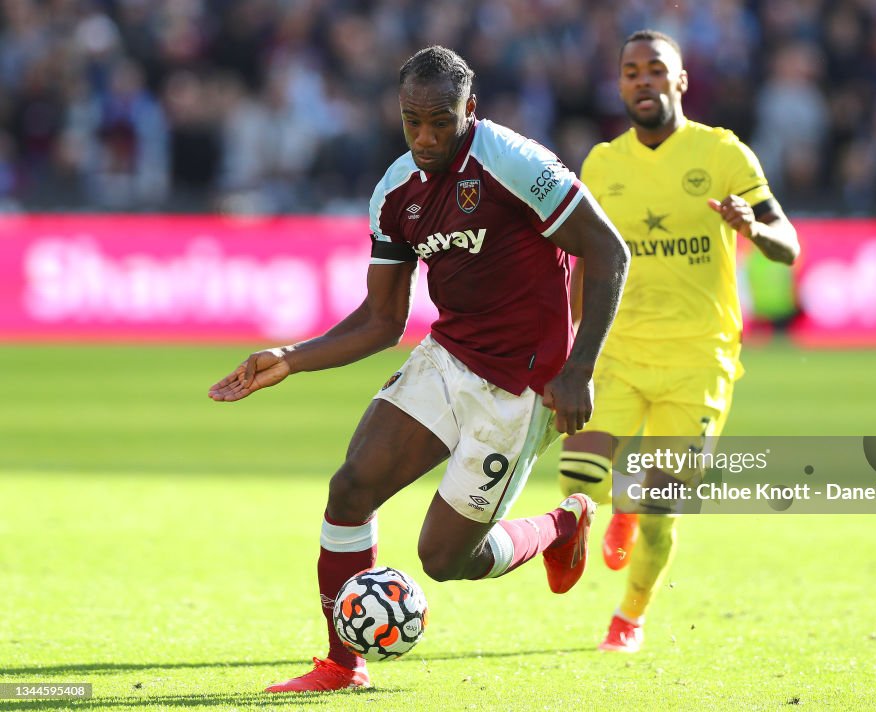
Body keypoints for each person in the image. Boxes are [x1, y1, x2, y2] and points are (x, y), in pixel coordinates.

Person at [208, 45, 629, 692]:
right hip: (449, 356)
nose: (426, 137)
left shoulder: (513, 162)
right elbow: (382, 321)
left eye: (441, 121)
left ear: (471, 109)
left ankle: (559, 525)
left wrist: (579, 370)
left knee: (444, 559)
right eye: (412, 121)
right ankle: (342, 666)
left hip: (522, 383)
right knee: (350, 488)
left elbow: (608, 251)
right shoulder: (395, 190)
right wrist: (289, 360)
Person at [556, 30, 800, 653]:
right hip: (618, 352)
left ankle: (629, 618)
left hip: (698, 358)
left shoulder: (722, 154)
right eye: (631, 71)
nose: (643, 80)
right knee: (576, 483)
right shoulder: (603, 165)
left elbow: (788, 244)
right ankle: (623, 505)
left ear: (680, 80)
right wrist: (567, 341)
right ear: (619, 85)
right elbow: (584, 261)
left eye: (656, 69)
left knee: (661, 520)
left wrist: (753, 229)